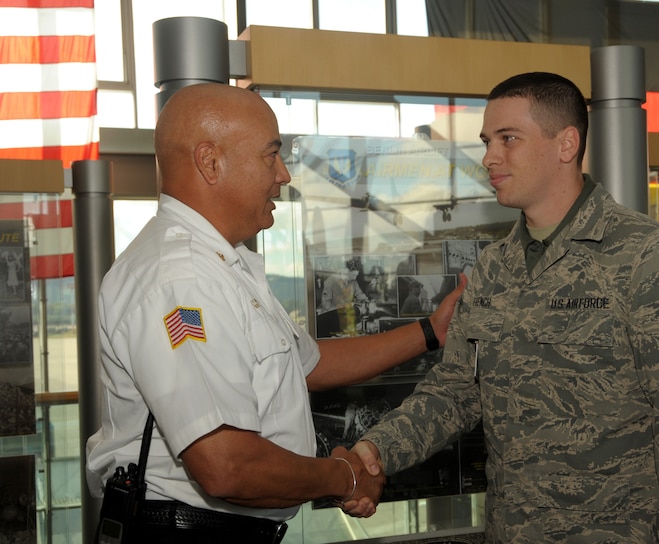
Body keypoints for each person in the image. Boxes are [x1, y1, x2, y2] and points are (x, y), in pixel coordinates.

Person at [349, 72, 659, 542]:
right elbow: (457, 391)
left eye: (508, 139)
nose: (489, 157)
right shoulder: (495, 269)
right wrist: (375, 451)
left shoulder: (649, 259)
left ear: (566, 144)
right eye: (486, 141)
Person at [85, 83, 465, 543]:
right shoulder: (180, 279)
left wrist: (430, 331)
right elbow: (226, 466)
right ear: (210, 161)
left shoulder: (224, 264)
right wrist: (342, 477)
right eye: (271, 154)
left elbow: (311, 363)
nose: (284, 174)